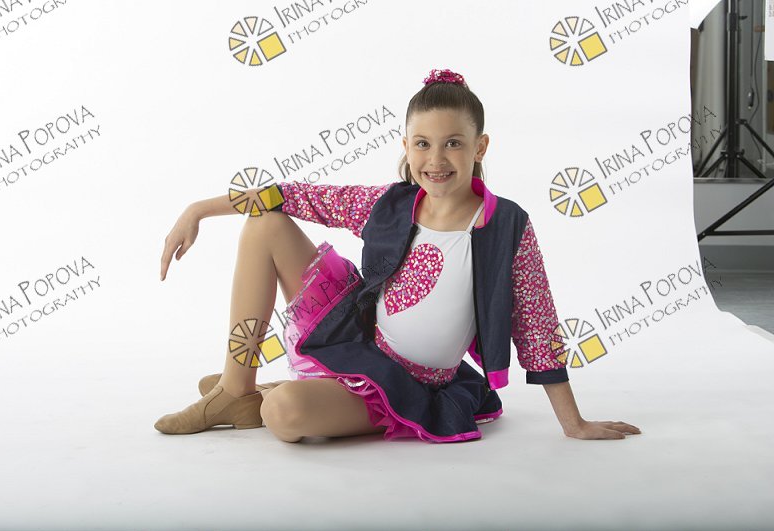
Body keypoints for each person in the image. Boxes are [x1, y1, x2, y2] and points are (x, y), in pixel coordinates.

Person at [154, 68, 642, 443]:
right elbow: (296, 195)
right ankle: (236, 390)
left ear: (480, 147)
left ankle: (275, 396)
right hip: (360, 339)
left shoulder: (506, 225)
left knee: (284, 415)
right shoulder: (390, 204)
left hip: (412, 380)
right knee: (266, 223)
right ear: (407, 147)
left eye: (454, 144)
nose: (436, 159)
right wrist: (200, 209)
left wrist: (573, 423)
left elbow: (537, 323)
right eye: (423, 144)